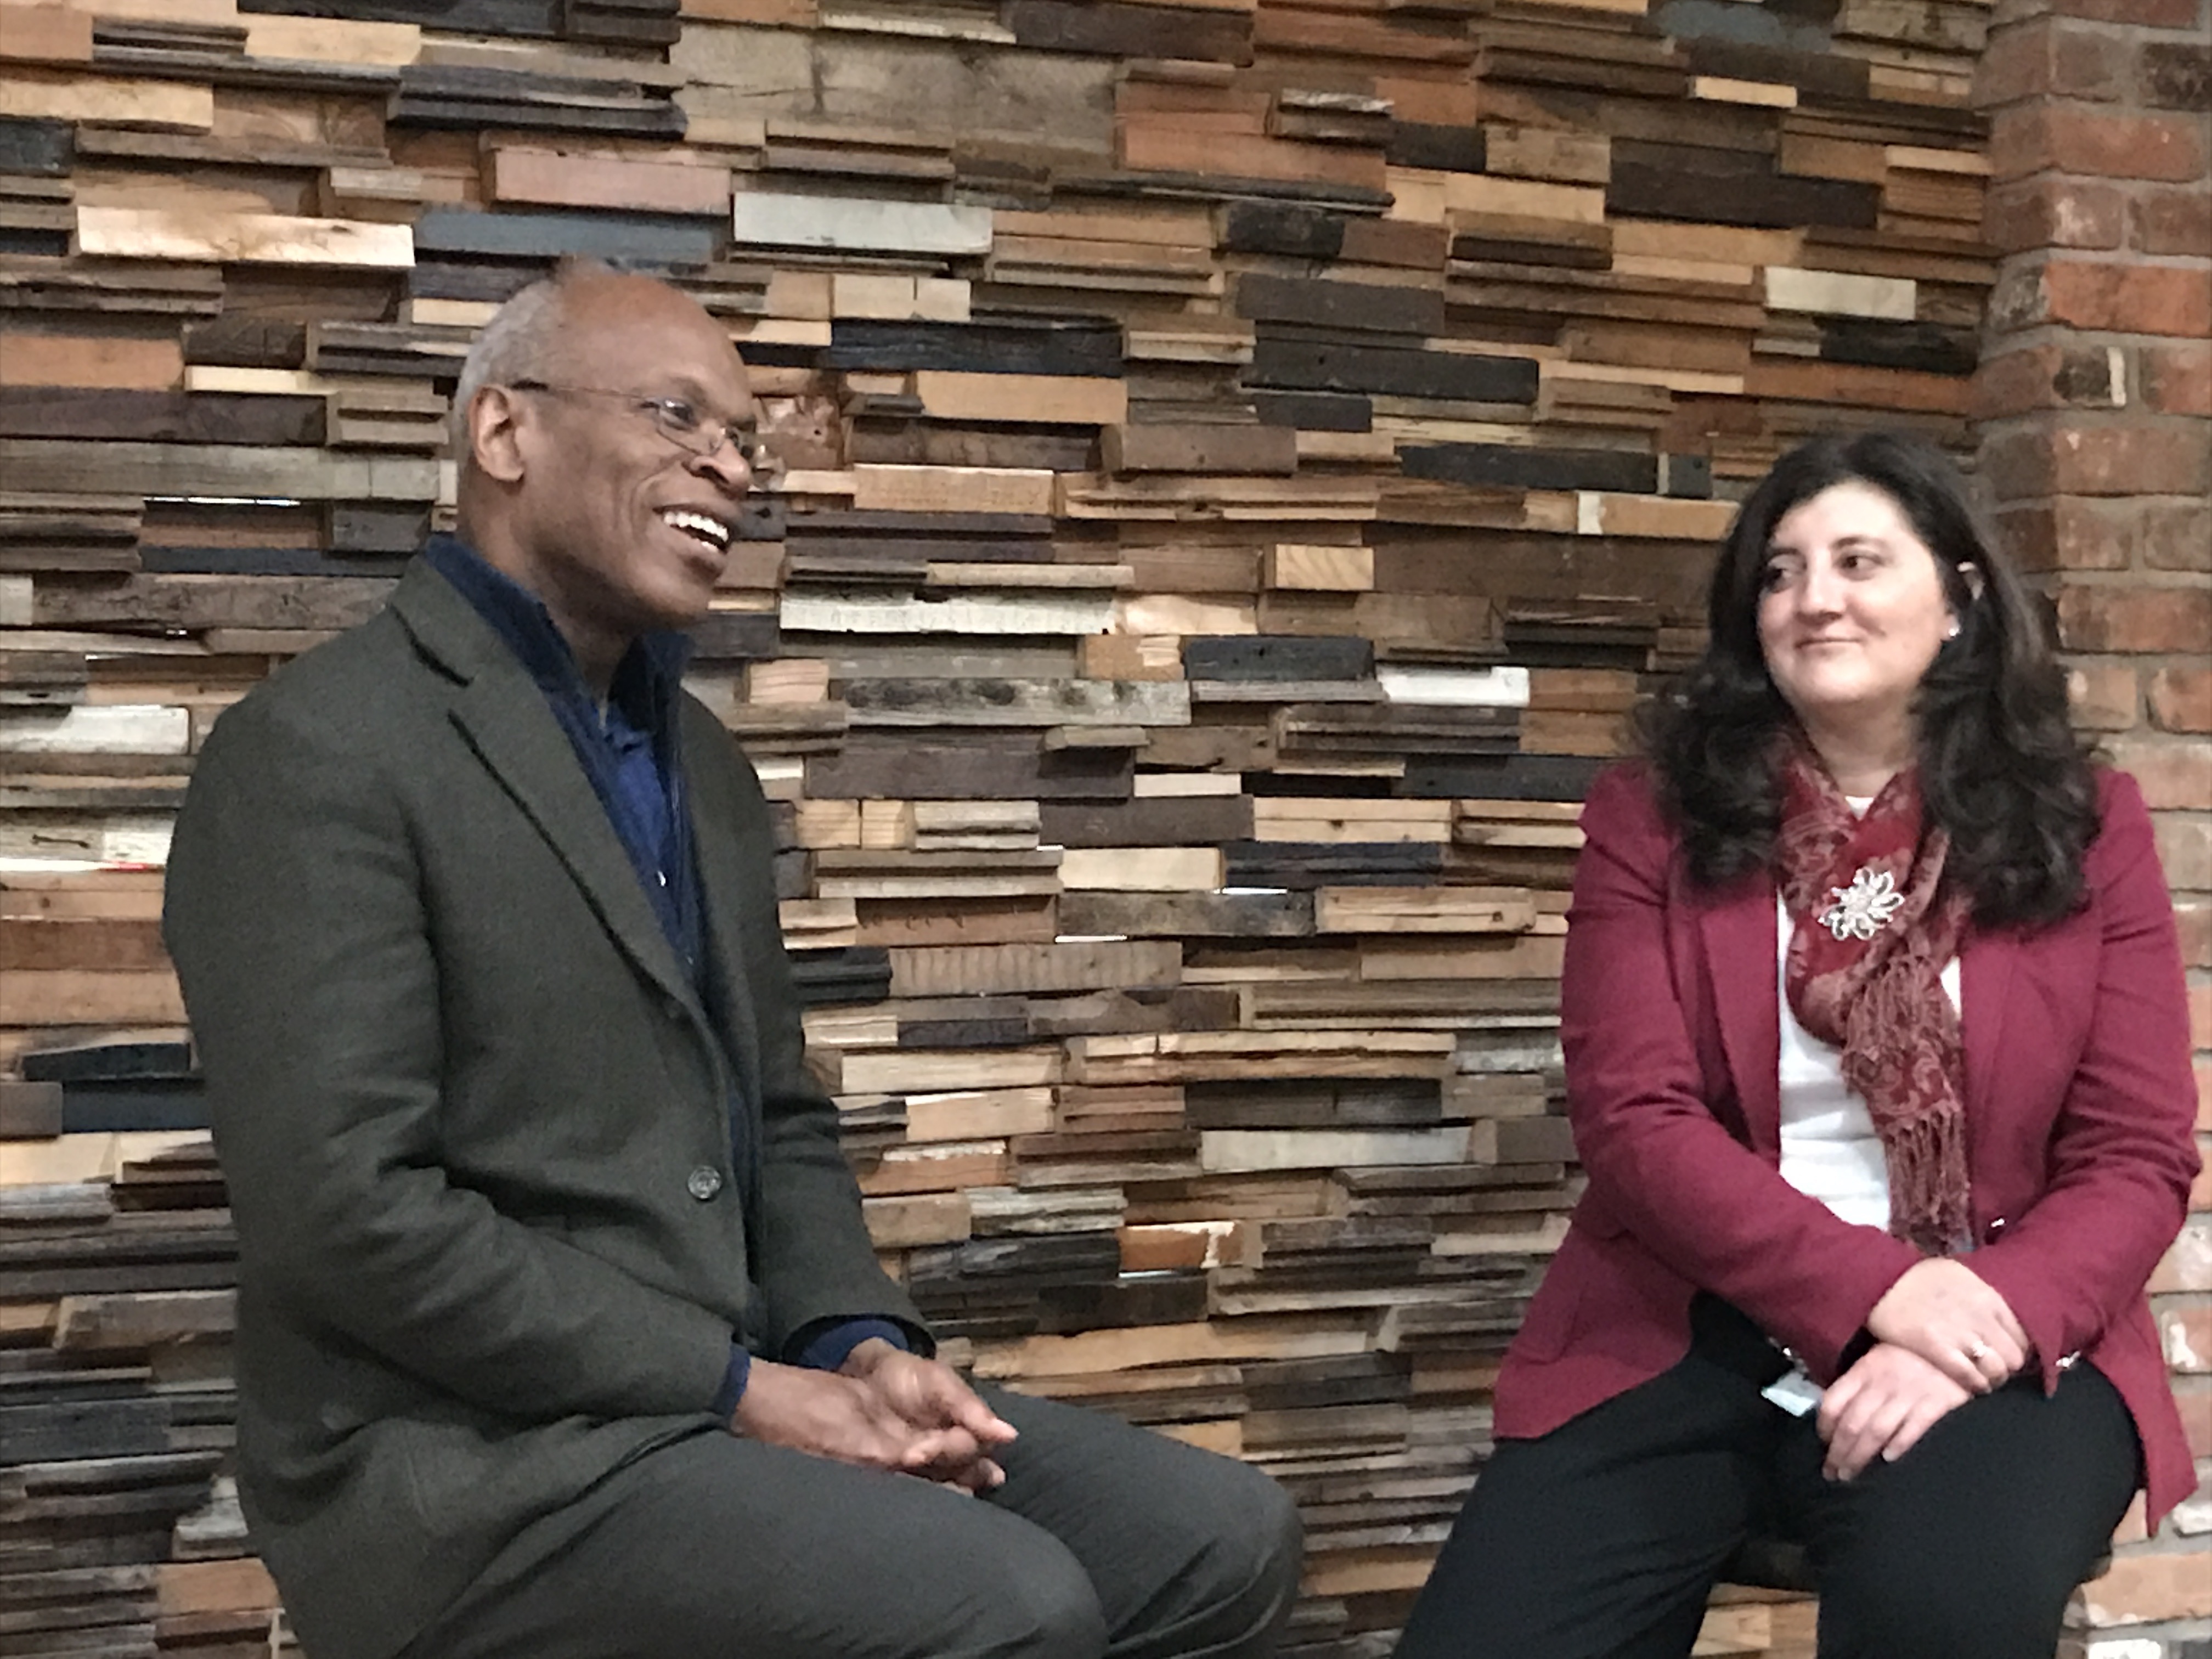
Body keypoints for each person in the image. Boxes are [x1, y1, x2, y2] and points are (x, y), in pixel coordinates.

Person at [162, 259, 1301, 1659]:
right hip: (465, 1470)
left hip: (712, 1404)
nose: (731, 467)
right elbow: (347, 1218)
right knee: (1008, 1606)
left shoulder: (701, 765)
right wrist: (742, 1390)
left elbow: (776, 1113)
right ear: (505, 434)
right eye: (677, 417)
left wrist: (856, 1349)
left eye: (745, 439)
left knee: (1220, 1541)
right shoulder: (319, 752)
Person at [1393, 431, 2200, 1659]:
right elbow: (1636, 1124)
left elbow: (2136, 1154)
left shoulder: (2088, 831)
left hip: (2002, 1318)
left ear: (1960, 603)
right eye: (1782, 572)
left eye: (1861, 561)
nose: (1815, 598)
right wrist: (1880, 1295)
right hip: (1689, 1320)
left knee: (1937, 1618)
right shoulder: (1651, 821)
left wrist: (1972, 1320)